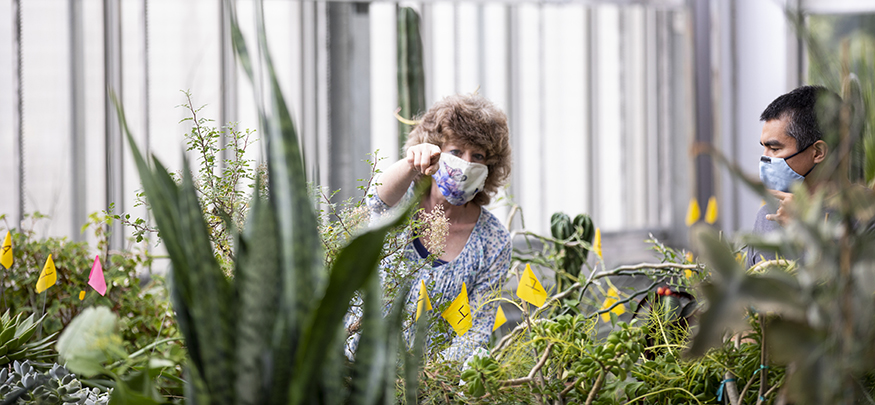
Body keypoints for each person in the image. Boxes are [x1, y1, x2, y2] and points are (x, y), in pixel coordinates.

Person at [357, 93, 513, 361]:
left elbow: (476, 328)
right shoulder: (403, 202)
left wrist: (427, 383)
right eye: (456, 152)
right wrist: (410, 165)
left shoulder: (494, 240)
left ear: (490, 167)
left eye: (478, 155)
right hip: (358, 367)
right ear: (434, 150)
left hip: (431, 388)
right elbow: (376, 202)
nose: (467, 164)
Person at [747, 85, 841, 269]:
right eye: (764, 148)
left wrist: (804, 232)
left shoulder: (862, 220)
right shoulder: (767, 216)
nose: (765, 158)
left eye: (774, 149)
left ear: (817, 153)